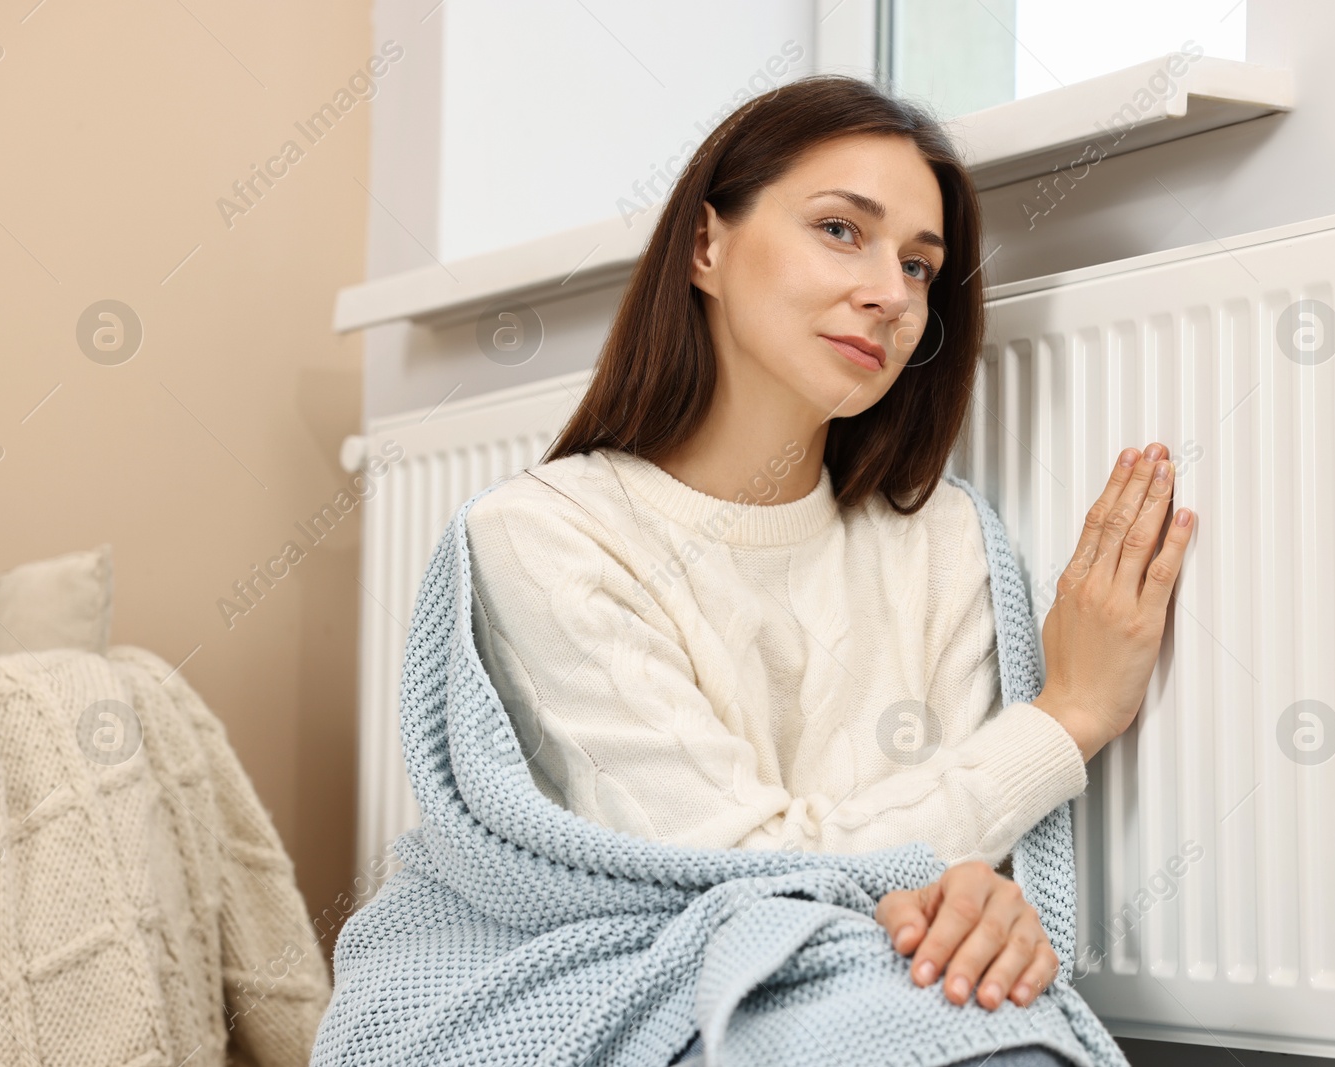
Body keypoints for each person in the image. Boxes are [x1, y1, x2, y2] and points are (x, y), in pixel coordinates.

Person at [463, 74, 1193, 1064]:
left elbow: (950, 857)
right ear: (706, 245)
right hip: (647, 980)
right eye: (841, 230)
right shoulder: (546, 533)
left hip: (876, 980)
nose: (890, 294)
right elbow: (729, 870)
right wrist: (1066, 718)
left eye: (920, 266)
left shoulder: (941, 535)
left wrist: (974, 898)